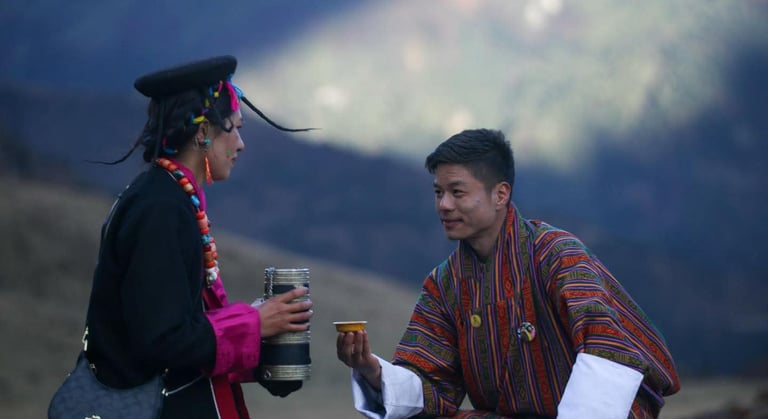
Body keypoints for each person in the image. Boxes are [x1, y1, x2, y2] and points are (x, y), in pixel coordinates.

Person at [337, 129, 680, 418]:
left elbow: (607, 348)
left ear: (500, 194)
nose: (444, 205)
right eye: (438, 193)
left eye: (457, 192)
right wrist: (373, 370)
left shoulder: (557, 255)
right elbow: (432, 383)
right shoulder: (445, 284)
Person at [80, 55, 314, 418]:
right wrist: (253, 323)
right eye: (235, 128)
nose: (240, 144)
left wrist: (267, 338)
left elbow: (179, 328)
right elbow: (162, 340)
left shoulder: (169, 198)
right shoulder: (159, 209)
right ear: (203, 132)